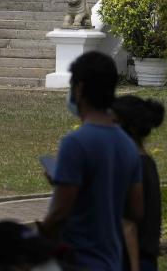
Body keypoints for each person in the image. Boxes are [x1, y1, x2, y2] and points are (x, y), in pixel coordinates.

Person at [38, 52, 143, 271]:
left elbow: (60, 212)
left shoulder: (75, 143)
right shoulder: (128, 145)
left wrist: (38, 235)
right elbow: (136, 210)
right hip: (112, 260)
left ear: (79, 89)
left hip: (79, 260)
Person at [112, 96, 164, 271]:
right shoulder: (148, 162)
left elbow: (129, 224)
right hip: (147, 258)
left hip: (131, 260)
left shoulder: (132, 165)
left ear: (131, 129)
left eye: (114, 124)